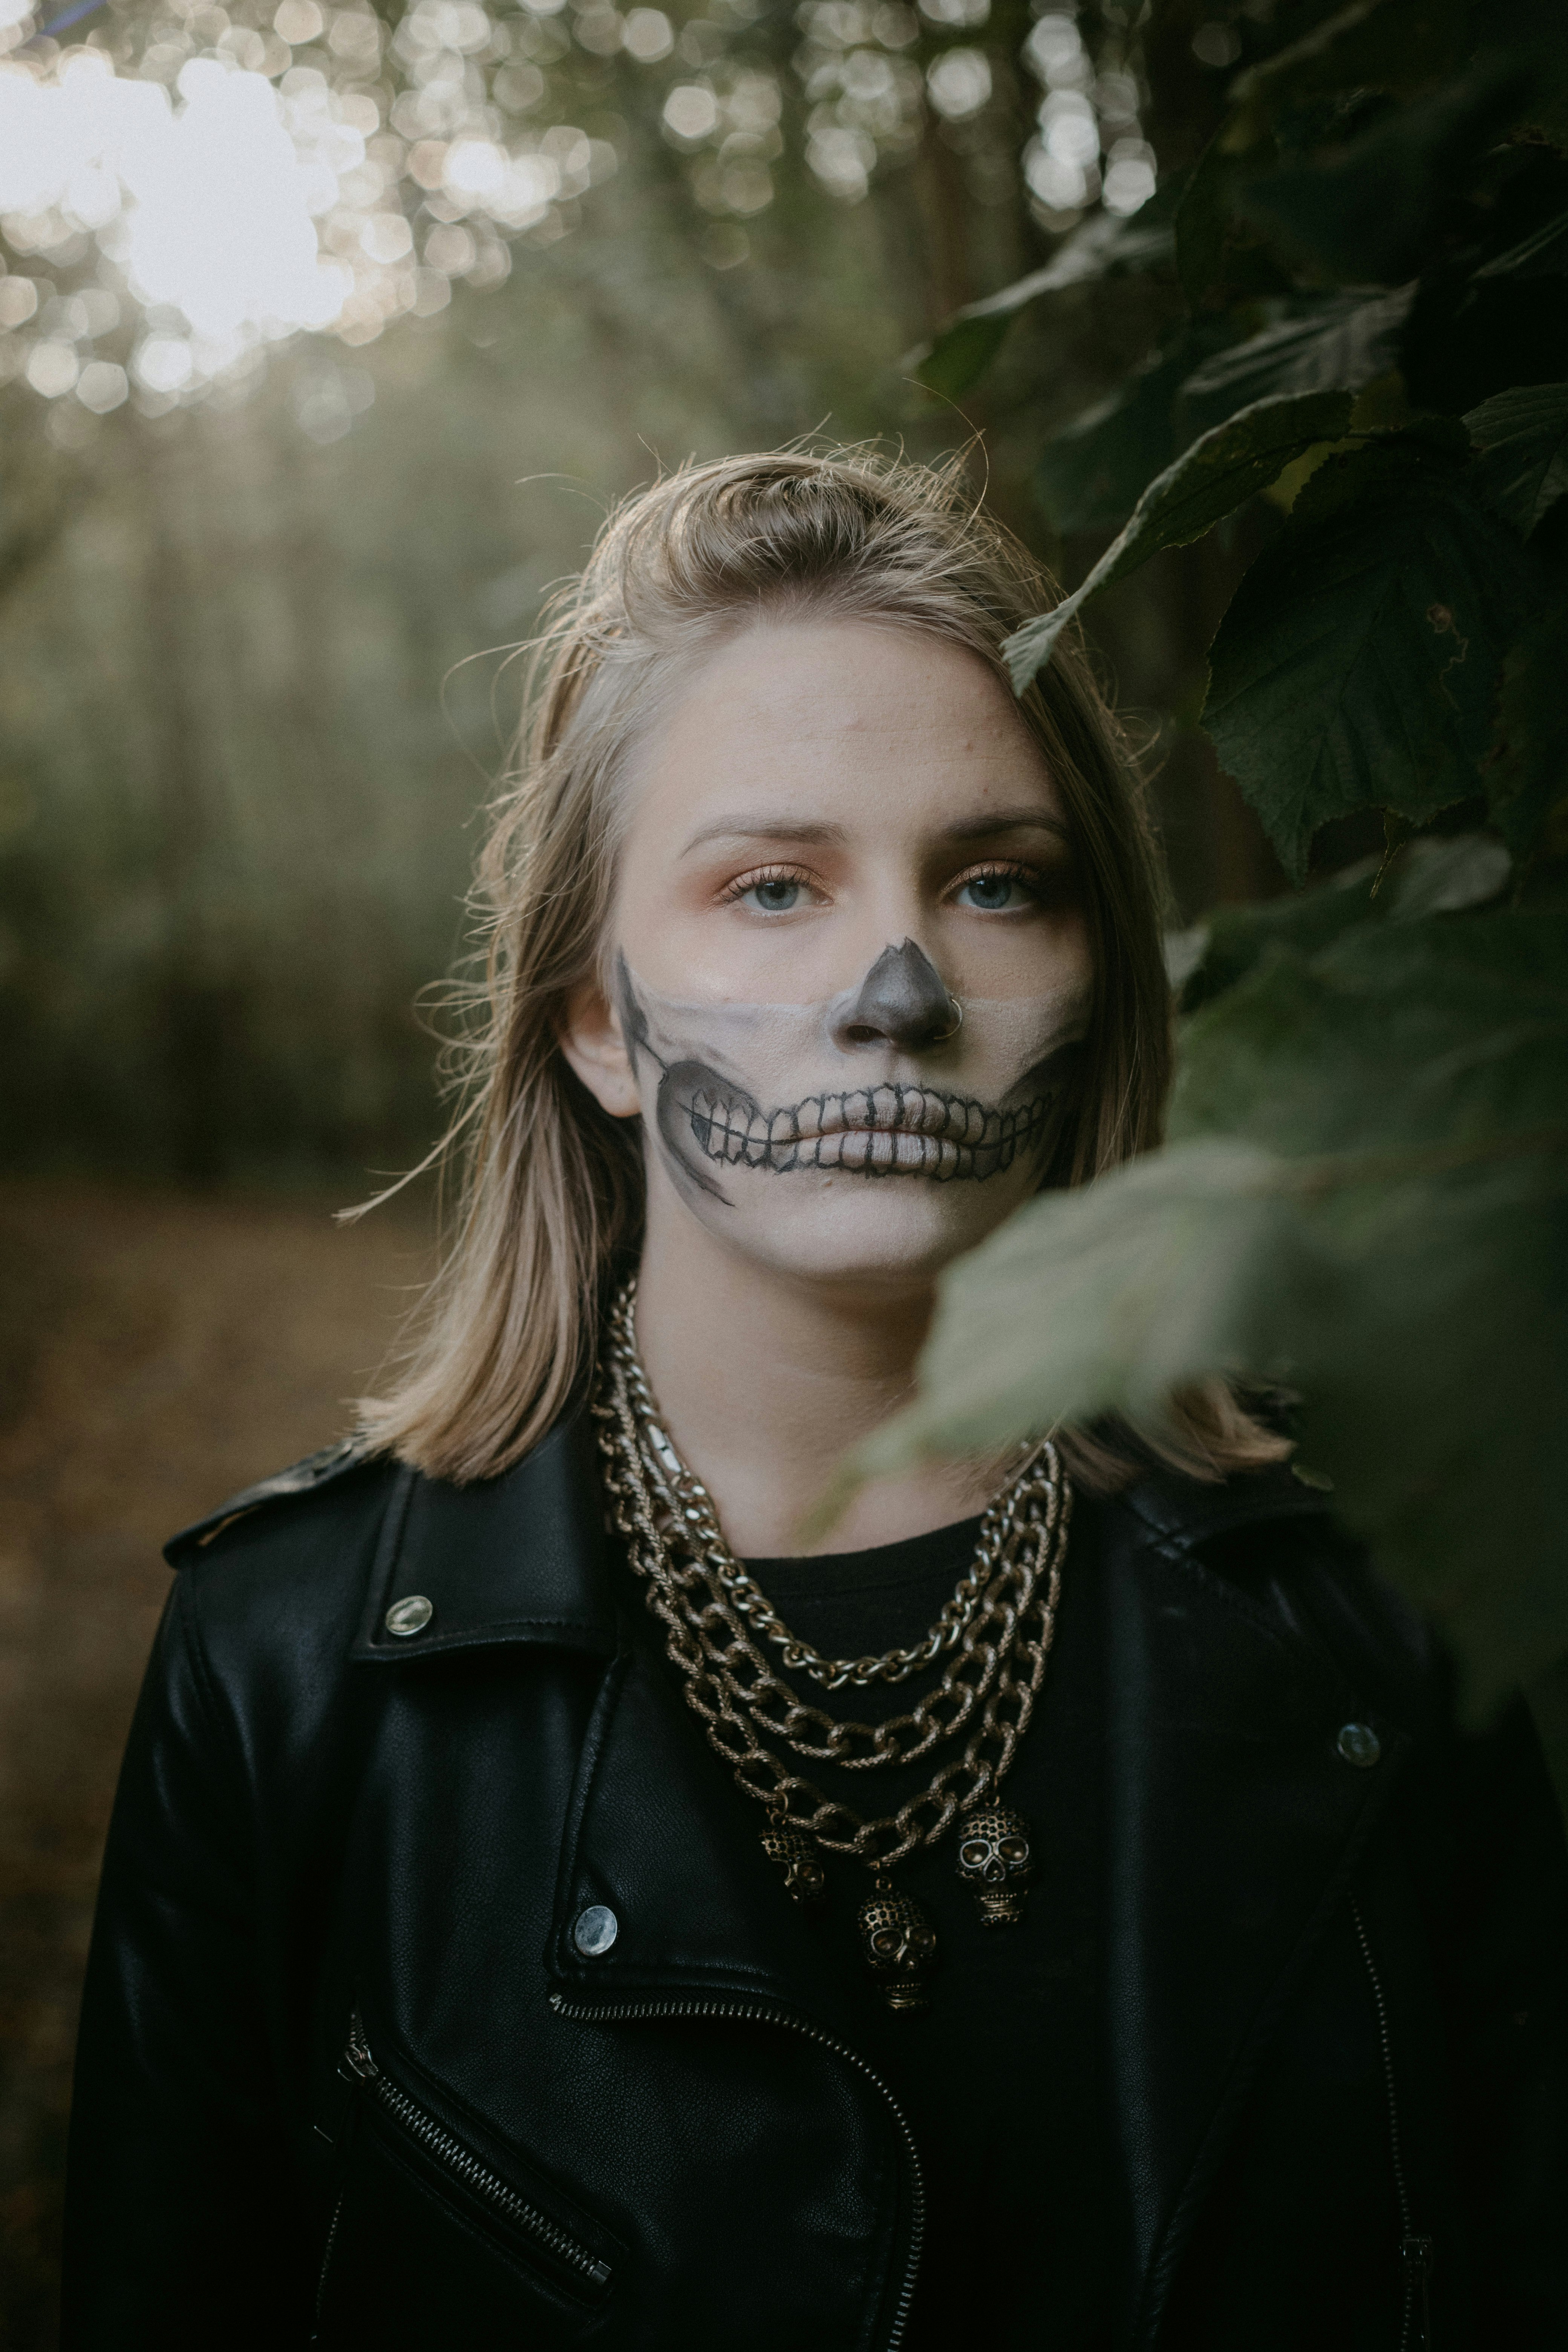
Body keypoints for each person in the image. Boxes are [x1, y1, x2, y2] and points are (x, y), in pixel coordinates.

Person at [61, 450, 1568, 2350]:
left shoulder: (1387, 1596)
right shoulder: (283, 1668)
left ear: (1096, 980)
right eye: (771, 886)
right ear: (596, 1016)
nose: (897, 984)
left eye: (996, 884)